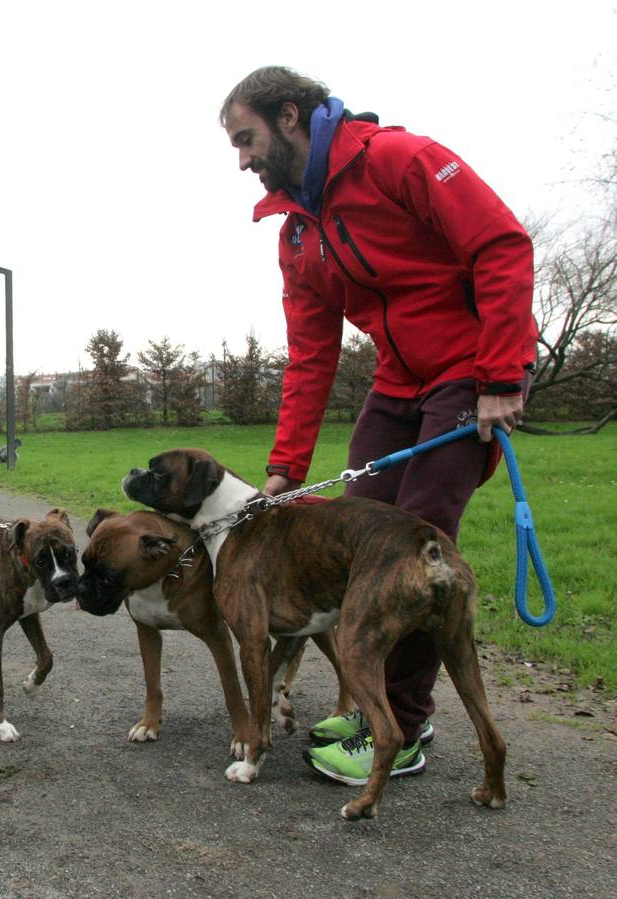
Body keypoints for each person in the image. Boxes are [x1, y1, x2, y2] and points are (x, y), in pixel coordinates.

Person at [219, 66, 536, 786]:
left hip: (468, 371)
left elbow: (501, 245)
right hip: (397, 383)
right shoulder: (297, 233)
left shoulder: (397, 161)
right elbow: (310, 356)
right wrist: (285, 468)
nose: (241, 159)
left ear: (289, 115)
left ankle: (403, 723)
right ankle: (373, 706)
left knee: (411, 546)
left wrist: (498, 376)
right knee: (353, 529)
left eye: (245, 139)